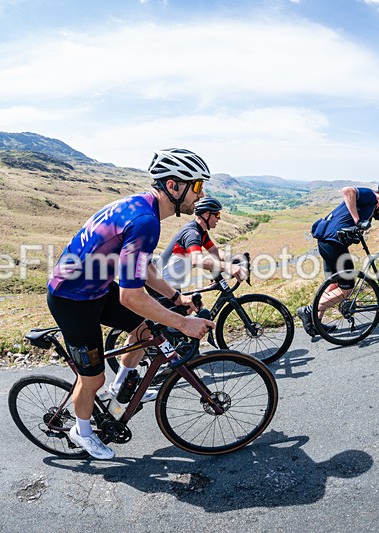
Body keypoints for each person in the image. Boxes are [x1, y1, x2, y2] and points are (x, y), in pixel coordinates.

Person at [47, 148, 215, 459]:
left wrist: (176, 298)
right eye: (196, 186)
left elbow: (145, 270)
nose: (201, 194)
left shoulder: (143, 207)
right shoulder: (145, 220)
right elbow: (131, 295)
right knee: (92, 378)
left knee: (144, 329)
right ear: (173, 186)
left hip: (95, 288)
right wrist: (183, 322)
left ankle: (119, 388)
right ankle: (81, 432)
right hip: (71, 299)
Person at [298, 179, 379, 337]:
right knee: (347, 287)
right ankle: (308, 311)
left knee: (334, 285)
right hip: (333, 243)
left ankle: (316, 322)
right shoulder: (370, 196)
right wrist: (358, 220)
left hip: (329, 242)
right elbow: (347, 191)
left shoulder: (374, 207)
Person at [158, 196, 248, 289]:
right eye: (217, 215)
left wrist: (235, 259)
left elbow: (215, 252)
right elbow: (197, 261)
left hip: (171, 282)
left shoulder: (202, 232)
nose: (219, 219)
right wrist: (228, 267)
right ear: (206, 215)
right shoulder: (193, 233)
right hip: (162, 282)